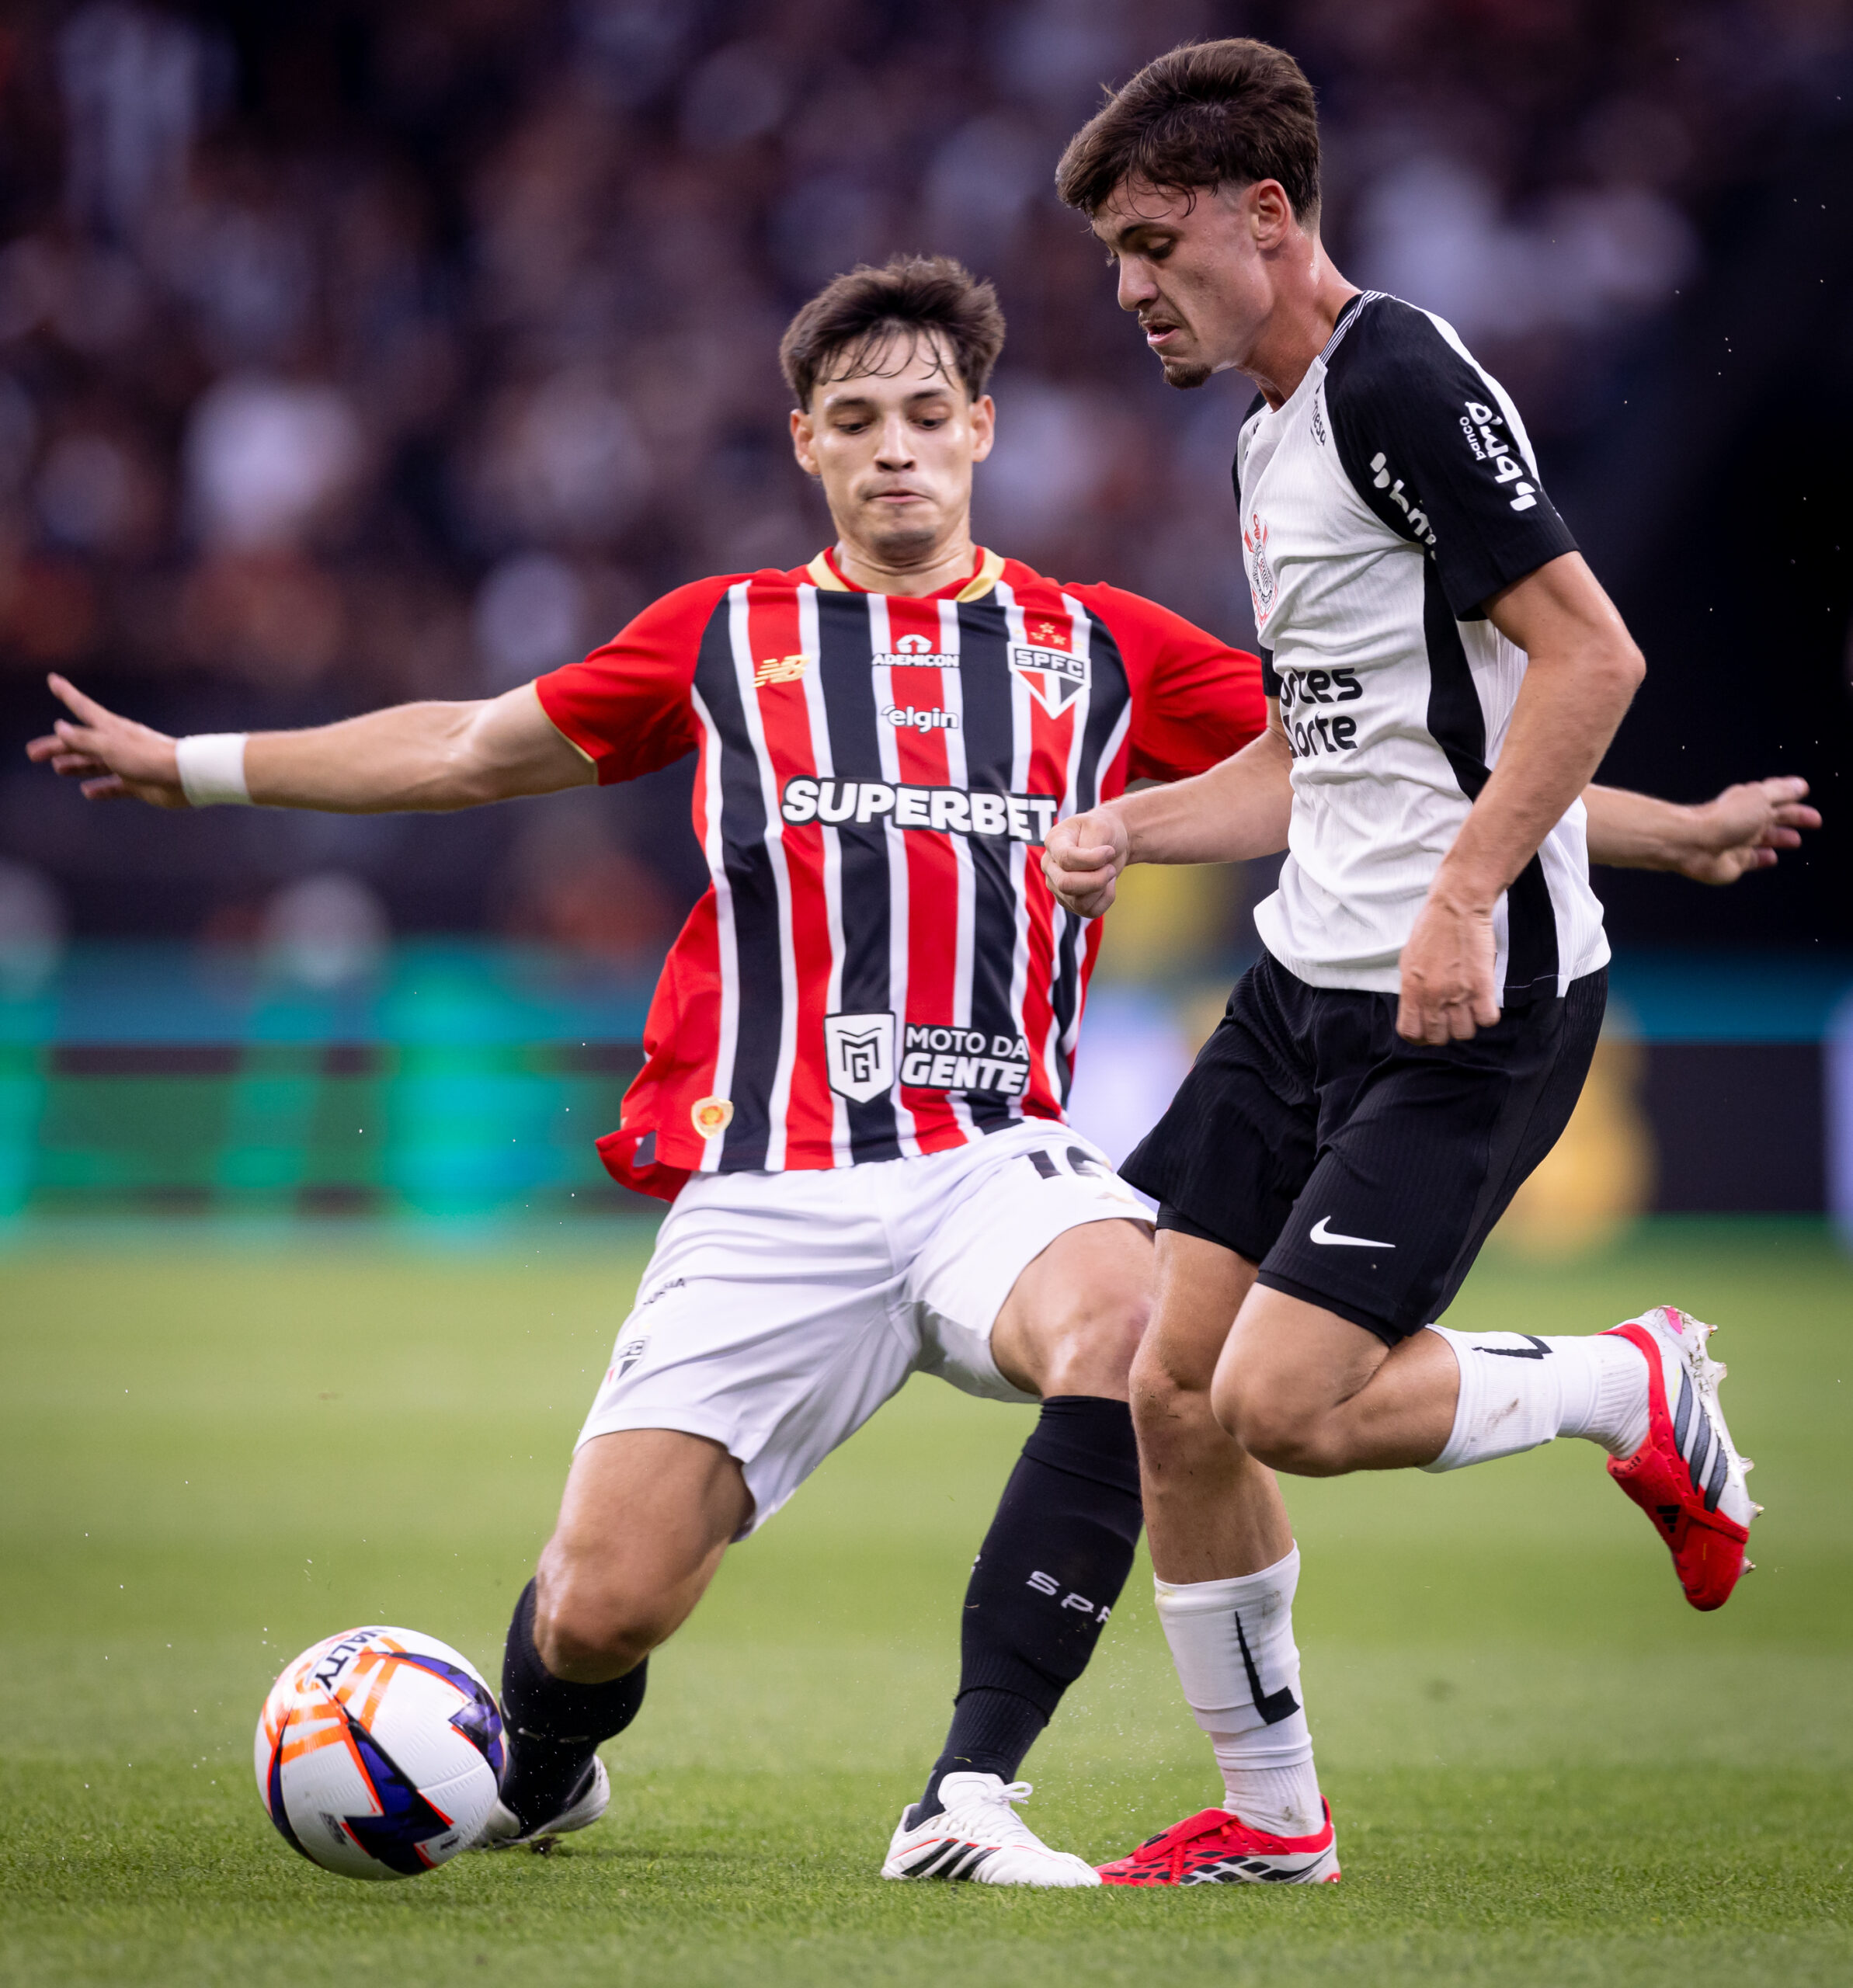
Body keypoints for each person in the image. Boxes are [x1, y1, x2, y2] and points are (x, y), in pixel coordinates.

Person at [31, 253, 1807, 1889]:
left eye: (926, 416)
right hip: (772, 1183)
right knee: (598, 1603)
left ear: (980, 429)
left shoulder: (1090, 641)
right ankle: (550, 1761)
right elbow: (462, 747)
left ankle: (970, 1789)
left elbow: (1398, 763)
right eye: (856, 422)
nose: (895, 452)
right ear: (806, 443)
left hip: (997, 1162)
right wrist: (197, 762)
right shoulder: (719, 637)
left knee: (1141, 1340)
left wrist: (1664, 834)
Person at [1043, 40, 1821, 1885]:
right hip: (1302, 980)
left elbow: (1588, 657)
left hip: (1466, 1001)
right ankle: (1271, 1817)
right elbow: (1333, 755)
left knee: (1281, 1404)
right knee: (1166, 1383)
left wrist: (1467, 897)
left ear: (1265, 213)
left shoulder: (1396, 373)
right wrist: (1128, 827)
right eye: (1108, 261)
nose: (1130, 289)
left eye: (1153, 242)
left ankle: (1626, 1384)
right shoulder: (1263, 429)